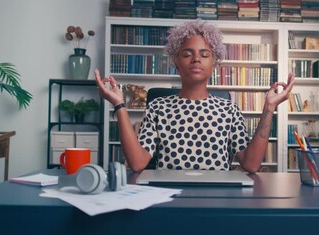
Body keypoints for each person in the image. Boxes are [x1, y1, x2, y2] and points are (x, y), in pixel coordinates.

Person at [95, 19, 295, 173]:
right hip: (168, 197)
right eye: (187, 54)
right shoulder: (158, 107)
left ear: (214, 63)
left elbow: (251, 165)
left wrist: (269, 107)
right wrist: (119, 104)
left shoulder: (228, 109)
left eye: (204, 54)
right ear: (175, 61)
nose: (196, 59)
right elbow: (138, 164)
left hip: (218, 200)